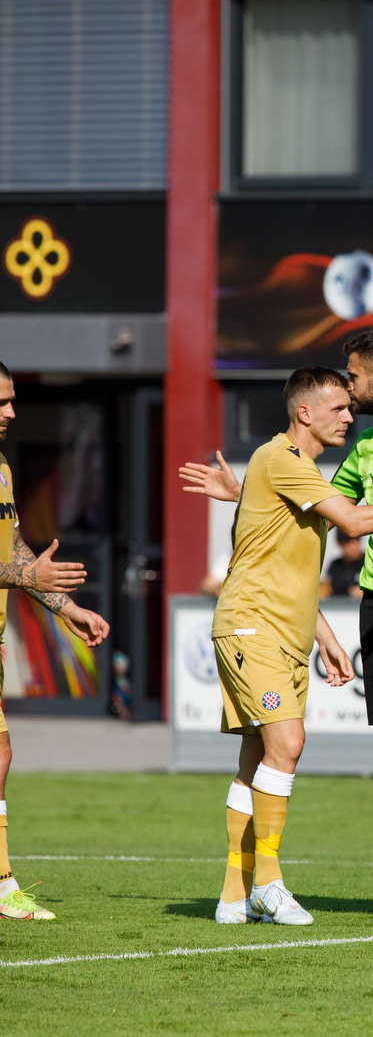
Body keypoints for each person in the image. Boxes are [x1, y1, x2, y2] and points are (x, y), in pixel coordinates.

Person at [187, 328, 373, 924]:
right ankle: (276, 885)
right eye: (338, 401)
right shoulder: (295, 457)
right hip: (279, 624)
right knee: (300, 745)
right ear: (306, 412)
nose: (348, 407)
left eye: (351, 385)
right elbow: (348, 517)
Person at [0, 360, 112, 921]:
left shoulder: (0, 468)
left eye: (13, 400)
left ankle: (0, 886)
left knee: (0, 755)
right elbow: (19, 568)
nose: (11, 412)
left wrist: (65, 606)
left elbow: (14, 550)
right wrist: (29, 579)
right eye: (0, 402)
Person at [320, 530, 365, 600]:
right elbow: (327, 590)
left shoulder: (369, 563)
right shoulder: (335, 566)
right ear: (339, 542)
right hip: (340, 609)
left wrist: (367, 591)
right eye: (348, 541)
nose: (354, 545)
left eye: (357, 539)